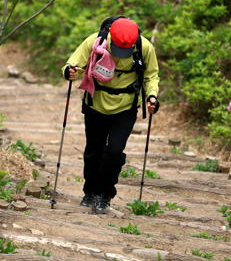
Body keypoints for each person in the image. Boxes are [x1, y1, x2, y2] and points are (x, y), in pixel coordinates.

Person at [62, 17, 160, 214]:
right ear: (111, 37)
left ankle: (105, 194)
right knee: (93, 151)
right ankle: (90, 191)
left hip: (125, 108)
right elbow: (74, 63)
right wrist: (69, 71)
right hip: (95, 104)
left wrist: (152, 96)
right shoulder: (95, 41)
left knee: (114, 152)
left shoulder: (145, 48)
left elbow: (151, 75)